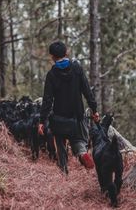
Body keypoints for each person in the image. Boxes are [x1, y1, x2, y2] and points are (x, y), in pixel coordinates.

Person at [38, 41, 99, 173]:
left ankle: (64, 169)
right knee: (79, 140)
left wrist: (42, 121)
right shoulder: (77, 69)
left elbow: (47, 101)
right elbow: (87, 91)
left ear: (52, 57)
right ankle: (82, 153)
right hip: (77, 117)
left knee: (60, 143)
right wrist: (94, 110)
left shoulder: (51, 75)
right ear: (66, 53)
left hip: (59, 119)